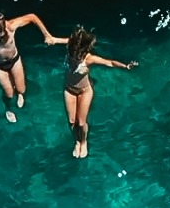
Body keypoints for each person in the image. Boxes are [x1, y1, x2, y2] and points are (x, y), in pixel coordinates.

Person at [47, 27, 137, 159]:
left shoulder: (88, 59)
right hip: (69, 89)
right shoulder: (70, 47)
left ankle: (83, 142)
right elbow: (59, 40)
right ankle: (77, 141)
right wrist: (52, 39)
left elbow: (110, 62)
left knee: (81, 122)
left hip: (84, 91)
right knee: (72, 122)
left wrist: (126, 66)